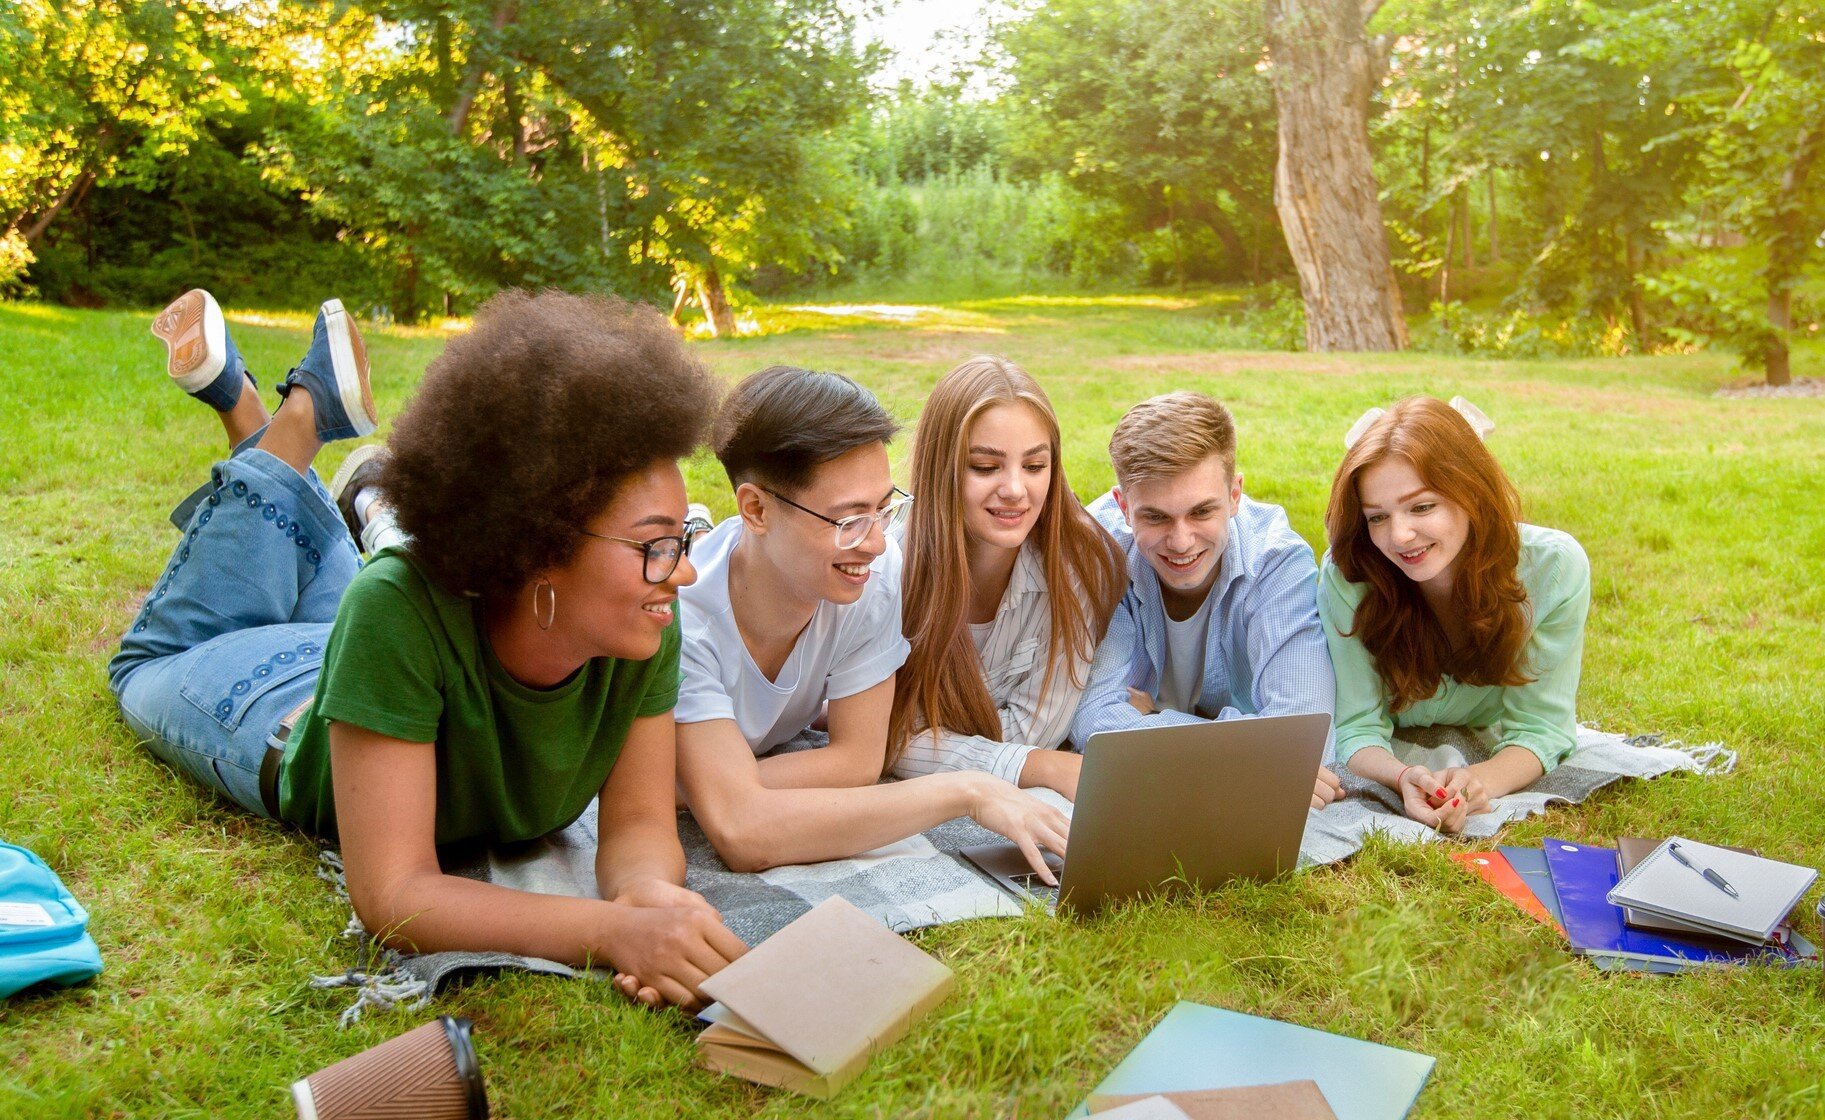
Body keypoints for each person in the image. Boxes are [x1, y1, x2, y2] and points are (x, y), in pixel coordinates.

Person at [110, 288, 745, 1009]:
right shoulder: (395, 609)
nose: (683, 570)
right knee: (144, 663)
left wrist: (650, 902)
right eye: (656, 545)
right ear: (540, 544)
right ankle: (295, 421)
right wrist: (608, 932)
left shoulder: (641, 622)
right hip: (267, 698)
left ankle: (250, 409)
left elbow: (636, 825)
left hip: (363, 662)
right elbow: (395, 894)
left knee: (324, 574)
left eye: (682, 540)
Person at [674, 365, 1071, 882]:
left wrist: (717, 786)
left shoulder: (873, 575)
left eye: (884, 509)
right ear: (756, 509)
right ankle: (690, 529)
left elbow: (858, 762)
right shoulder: (685, 624)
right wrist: (967, 790)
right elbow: (746, 834)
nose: (878, 542)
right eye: (848, 520)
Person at [1318, 395, 1590, 833]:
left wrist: (1479, 780)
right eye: (1377, 517)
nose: (1399, 536)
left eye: (1422, 507)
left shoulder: (1555, 569)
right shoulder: (1351, 573)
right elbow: (1356, 727)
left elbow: (1542, 728)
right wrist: (1404, 777)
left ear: (1472, 493)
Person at [1071, 391, 1343, 809]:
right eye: (1155, 516)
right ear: (1123, 506)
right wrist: (1253, 753)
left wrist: (1154, 719)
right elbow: (1093, 724)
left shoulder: (1276, 561)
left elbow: (1306, 740)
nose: (1181, 542)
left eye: (1201, 512)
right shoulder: (1099, 552)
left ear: (1235, 494)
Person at [889, 356, 1126, 801]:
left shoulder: (1077, 565)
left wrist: (937, 744)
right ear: (943, 469)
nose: (1016, 489)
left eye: (1035, 466)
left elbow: (1038, 729)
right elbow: (886, 738)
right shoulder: (890, 569)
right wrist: (1043, 766)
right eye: (985, 466)